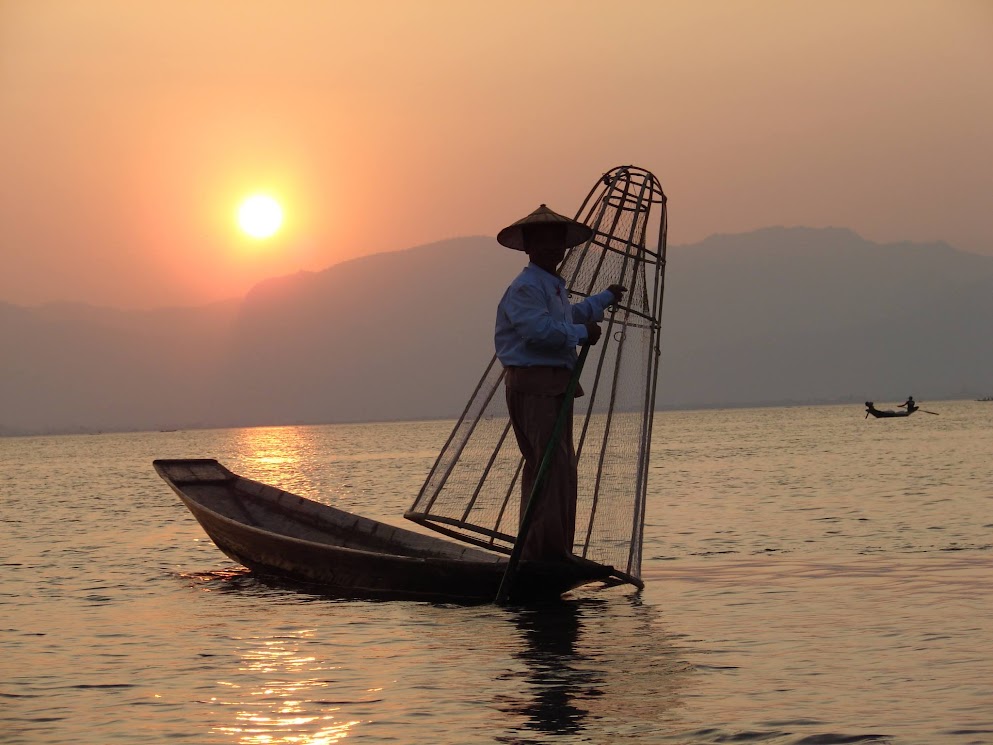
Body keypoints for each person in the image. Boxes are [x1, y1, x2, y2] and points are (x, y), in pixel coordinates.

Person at [494, 204, 625, 562]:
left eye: (558, 244)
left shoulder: (551, 288)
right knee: (549, 466)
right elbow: (539, 333)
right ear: (530, 248)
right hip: (534, 384)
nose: (553, 250)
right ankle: (544, 551)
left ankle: (550, 548)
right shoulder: (525, 288)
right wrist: (583, 333)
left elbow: (569, 316)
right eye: (545, 244)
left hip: (554, 385)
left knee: (558, 465)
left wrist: (605, 298)